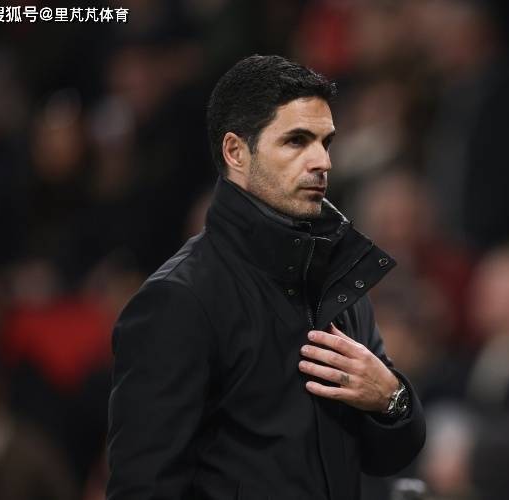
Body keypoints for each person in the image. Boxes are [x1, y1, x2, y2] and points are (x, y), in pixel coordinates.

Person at [106, 55, 425, 500]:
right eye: (297, 141)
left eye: (326, 142)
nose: (322, 161)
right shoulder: (178, 300)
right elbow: (144, 488)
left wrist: (392, 398)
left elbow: (387, 457)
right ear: (236, 152)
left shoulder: (338, 282)